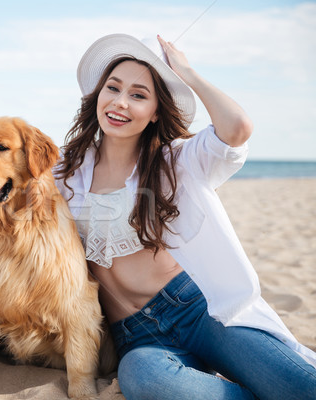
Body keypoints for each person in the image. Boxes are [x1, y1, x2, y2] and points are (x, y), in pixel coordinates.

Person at [55, 33, 316, 399]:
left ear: (156, 112)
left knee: (301, 385)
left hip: (198, 312)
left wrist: (188, 74)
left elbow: (237, 128)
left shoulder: (177, 160)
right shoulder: (67, 171)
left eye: (138, 95)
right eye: (112, 88)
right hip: (137, 337)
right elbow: (3, 190)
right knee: (143, 380)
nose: (119, 102)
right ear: (97, 95)